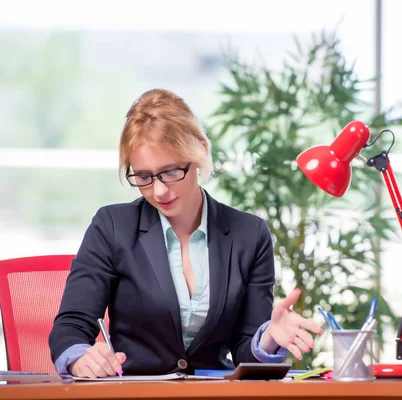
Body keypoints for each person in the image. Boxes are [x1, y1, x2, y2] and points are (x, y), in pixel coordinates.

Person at [49, 88, 323, 378]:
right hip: (135, 395)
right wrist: (81, 359)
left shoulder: (250, 235)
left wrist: (268, 338)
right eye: (143, 176)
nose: (158, 190)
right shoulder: (112, 226)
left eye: (170, 172)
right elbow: (71, 327)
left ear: (200, 153)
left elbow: (245, 352)